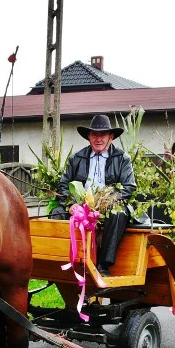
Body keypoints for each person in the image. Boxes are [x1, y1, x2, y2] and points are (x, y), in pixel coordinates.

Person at [51, 114, 137, 276]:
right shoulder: (76, 158)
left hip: (108, 206)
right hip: (81, 206)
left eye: (103, 135)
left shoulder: (122, 158)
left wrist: (106, 202)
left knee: (119, 213)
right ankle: (59, 261)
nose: (98, 139)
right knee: (56, 213)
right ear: (88, 137)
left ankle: (103, 265)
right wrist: (71, 204)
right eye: (94, 135)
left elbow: (128, 187)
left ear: (111, 137)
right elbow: (63, 185)